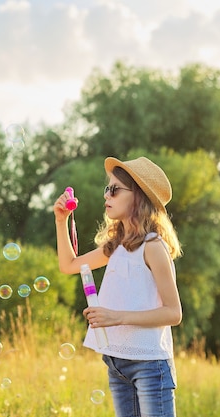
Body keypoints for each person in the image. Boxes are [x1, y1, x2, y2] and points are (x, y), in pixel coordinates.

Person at [53, 156, 182, 417]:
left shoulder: (153, 247)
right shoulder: (116, 247)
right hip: (116, 362)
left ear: (138, 197)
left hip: (149, 365)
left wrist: (116, 317)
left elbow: (173, 313)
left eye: (115, 189)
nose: (107, 196)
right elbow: (68, 265)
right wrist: (61, 221)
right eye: (107, 189)